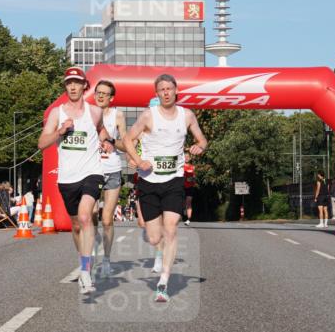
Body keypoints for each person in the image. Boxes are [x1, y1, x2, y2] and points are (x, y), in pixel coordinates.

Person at [122, 74, 208, 303]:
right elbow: (128, 139)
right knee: (153, 237)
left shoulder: (187, 115)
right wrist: (139, 162)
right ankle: (159, 254)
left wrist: (200, 146)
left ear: (176, 90)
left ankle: (163, 282)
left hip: (174, 180)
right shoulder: (149, 115)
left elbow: (202, 140)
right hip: (149, 181)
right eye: (162, 89)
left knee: (171, 229)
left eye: (170, 88)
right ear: (157, 93)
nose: (166, 92)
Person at [37, 67, 115, 295]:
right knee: (76, 225)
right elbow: (42, 143)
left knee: (85, 216)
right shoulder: (56, 113)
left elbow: (100, 130)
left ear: (84, 86)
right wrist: (60, 131)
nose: (72, 87)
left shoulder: (95, 112)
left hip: (92, 172)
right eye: (68, 83)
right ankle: (84, 262)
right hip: (67, 177)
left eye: (76, 82)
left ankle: (84, 271)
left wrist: (107, 141)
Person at [92, 80, 127, 278]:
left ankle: (106, 260)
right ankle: (92, 250)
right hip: (92, 170)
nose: (101, 96)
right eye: (98, 92)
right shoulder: (87, 113)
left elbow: (126, 143)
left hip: (112, 169)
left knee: (107, 220)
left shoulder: (117, 115)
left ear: (111, 98)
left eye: (105, 93)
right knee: (92, 214)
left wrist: (111, 141)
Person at [183, 152, 197, 226]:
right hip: (181, 187)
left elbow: (194, 179)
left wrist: (191, 179)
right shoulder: (180, 167)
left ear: (190, 158)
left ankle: (188, 219)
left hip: (190, 187)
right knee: (181, 202)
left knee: (188, 202)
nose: (186, 158)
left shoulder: (193, 167)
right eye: (185, 156)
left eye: (188, 156)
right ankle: (183, 209)